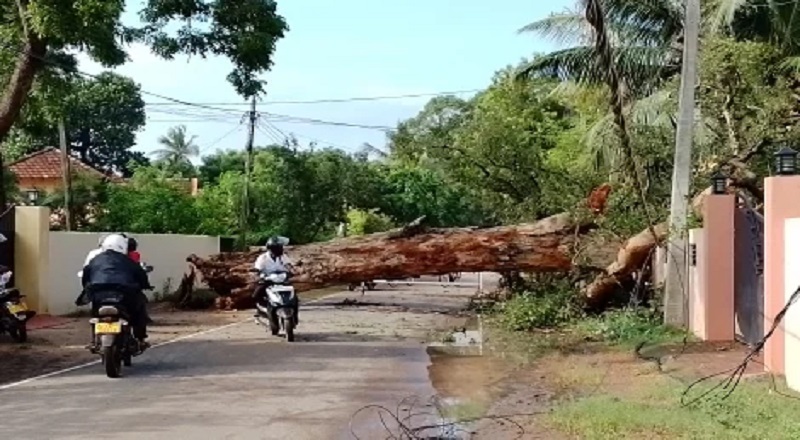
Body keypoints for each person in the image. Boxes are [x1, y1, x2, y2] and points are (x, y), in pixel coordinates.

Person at [80, 234, 151, 349]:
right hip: (123, 295)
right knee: (139, 310)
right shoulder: (127, 261)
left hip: (98, 295)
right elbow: (141, 275)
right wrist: (145, 285)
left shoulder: (95, 259)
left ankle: (94, 340)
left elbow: (86, 276)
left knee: (95, 313)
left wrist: (88, 288)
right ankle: (140, 337)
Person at [252, 236, 297, 322]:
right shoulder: (263, 258)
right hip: (268, 280)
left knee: (294, 296)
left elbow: (288, 265)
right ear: (272, 248)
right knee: (256, 295)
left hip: (282, 279)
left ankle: (294, 315)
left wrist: (292, 270)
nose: (281, 249)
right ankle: (262, 310)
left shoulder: (282, 256)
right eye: (279, 247)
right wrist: (259, 273)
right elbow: (258, 269)